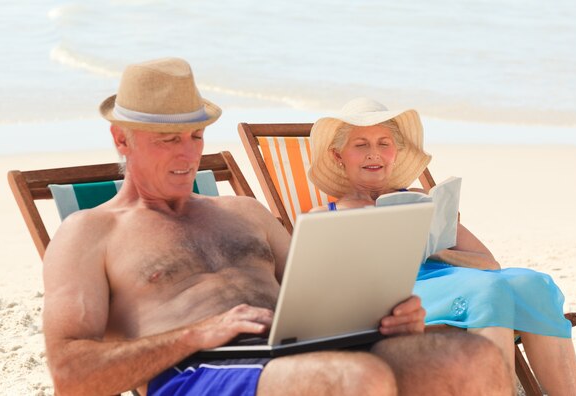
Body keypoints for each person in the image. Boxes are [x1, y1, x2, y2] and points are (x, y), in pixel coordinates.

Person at [41, 58, 513, 396]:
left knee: (470, 357)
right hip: (197, 370)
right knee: (354, 380)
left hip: (298, 351)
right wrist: (193, 335)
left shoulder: (244, 211)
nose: (188, 154)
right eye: (168, 140)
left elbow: (325, 293)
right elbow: (71, 376)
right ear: (121, 138)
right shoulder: (90, 233)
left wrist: (389, 318)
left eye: (196, 136)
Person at [308, 97, 576, 396]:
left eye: (384, 143)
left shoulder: (422, 201)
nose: (374, 154)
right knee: (490, 291)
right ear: (338, 156)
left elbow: (489, 264)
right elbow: (317, 290)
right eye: (360, 144)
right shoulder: (325, 217)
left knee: (535, 284)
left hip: (454, 280)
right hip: (396, 299)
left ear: (396, 153)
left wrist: (434, 250)